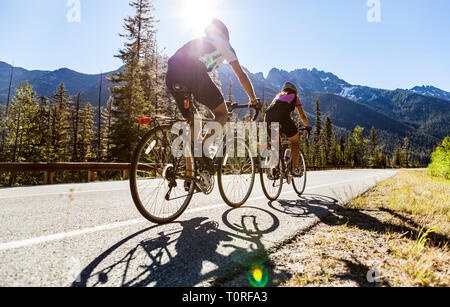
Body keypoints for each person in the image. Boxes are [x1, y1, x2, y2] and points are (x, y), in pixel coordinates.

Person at [165, 18, 258, 190]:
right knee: (222, 113)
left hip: (171, 74)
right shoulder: (224, 43)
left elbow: (205, 66)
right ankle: (202, 148)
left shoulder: (201, 41)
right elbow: (241, 75)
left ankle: (189, 175)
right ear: (225, 35)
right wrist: (253, 99)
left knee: (193, 122)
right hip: (192, 73)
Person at [265, 82, 312, 177]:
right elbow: (302, 115)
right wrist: (307, 126)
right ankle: (294, 169)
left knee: (276, 142)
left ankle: (274, 167)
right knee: (295, 142)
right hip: (282, 117)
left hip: (268, 117)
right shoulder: (294, 97)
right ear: (294, 91)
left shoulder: (276, 98)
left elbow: (272, 111)